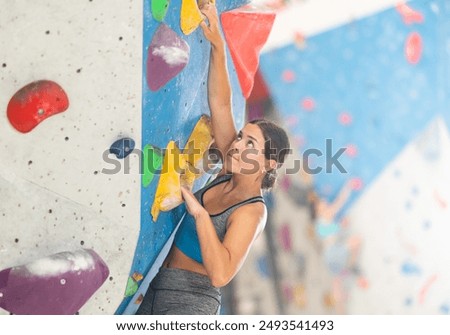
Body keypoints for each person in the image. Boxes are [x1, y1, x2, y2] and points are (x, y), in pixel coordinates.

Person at [136, 3, 290, 315]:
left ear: (268, 163)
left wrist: (201, 214)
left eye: (249, 144)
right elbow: (221, 104)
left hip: (190, 306)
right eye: (241, 136)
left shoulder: (253, 213)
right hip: (160, 286)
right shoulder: (230, 169)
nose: (236, 145)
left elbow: (221, 273)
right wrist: (218, 42)